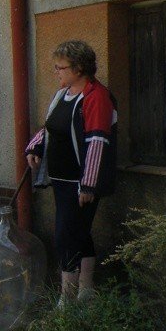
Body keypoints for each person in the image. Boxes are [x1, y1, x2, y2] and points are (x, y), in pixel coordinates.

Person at [25, 40, 117, 306]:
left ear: (78, 68)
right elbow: (51, 127)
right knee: (79, 232)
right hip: (61, 180)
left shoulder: (96, 97)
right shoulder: (62, 93)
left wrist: (88, 186)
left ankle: (66, 300)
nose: (56, 72)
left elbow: (98, 141)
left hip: (80, 183)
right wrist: (35, 147)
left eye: (60, 67)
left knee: (65, 236)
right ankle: (86, 291)